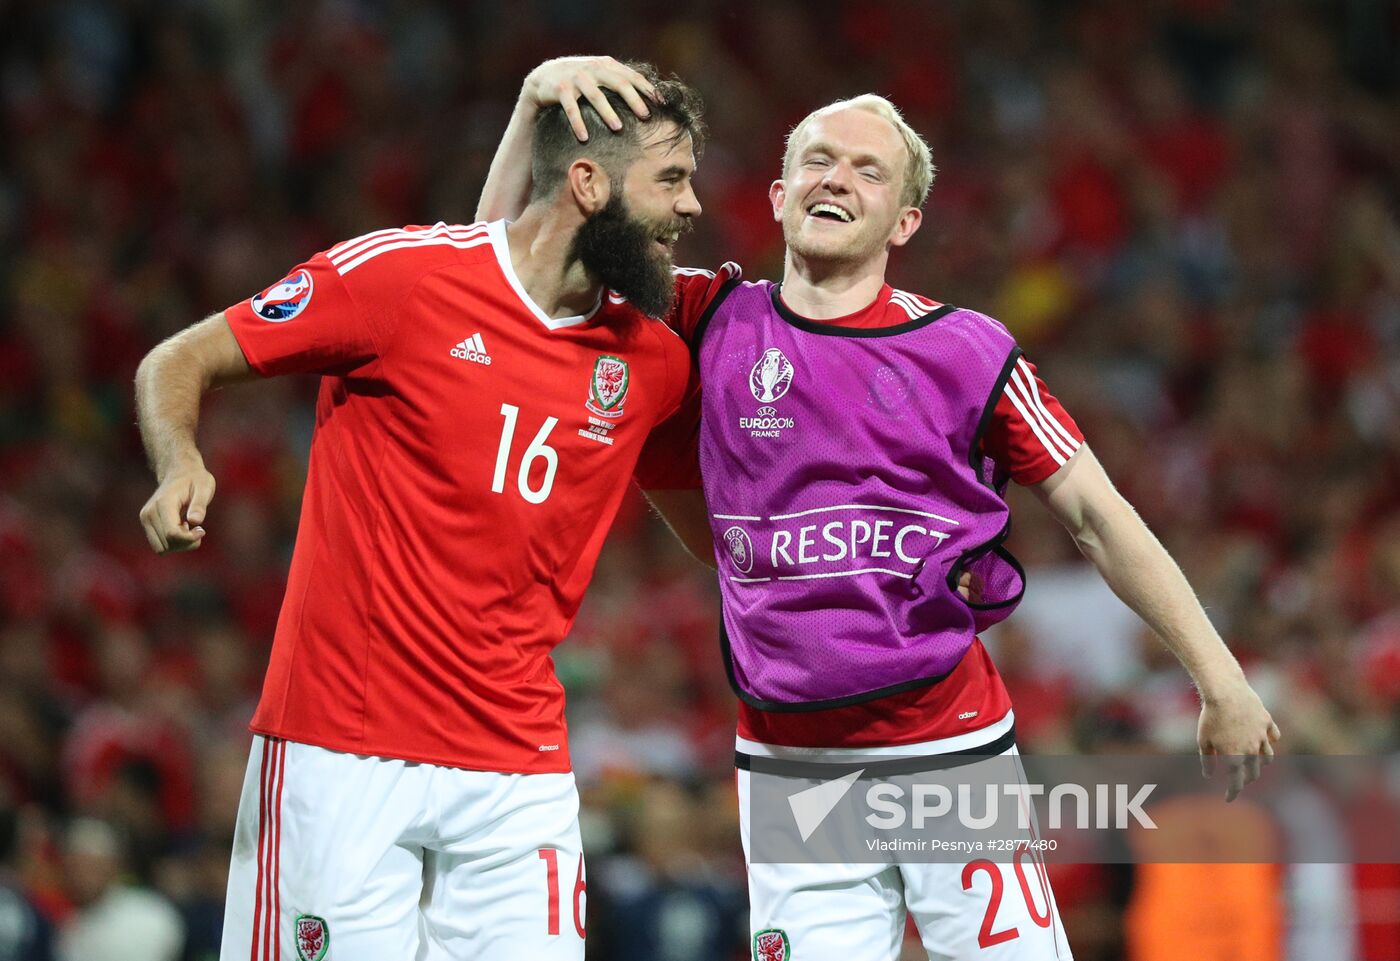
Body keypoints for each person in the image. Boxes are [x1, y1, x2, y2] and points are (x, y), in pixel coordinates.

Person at [481, 60, 1281, 961]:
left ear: (904, 221)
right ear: (780, 196)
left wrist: (1221, 678)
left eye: (868, 170)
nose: (837, 178)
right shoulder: (702, 318)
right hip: (790, 772)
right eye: (819, 160)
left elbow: (1099, 514)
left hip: (950, 750)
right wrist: (529, 110)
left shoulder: (968, 352)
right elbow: (496, 282)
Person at [134, 59, 704, 960]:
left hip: (519, 768)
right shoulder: (398, 280)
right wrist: (179, 462)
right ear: (589, 182)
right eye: (672, 178)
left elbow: (708, 527)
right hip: (342, 748)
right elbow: (178, 358)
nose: (692, 206)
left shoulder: (656, 363)